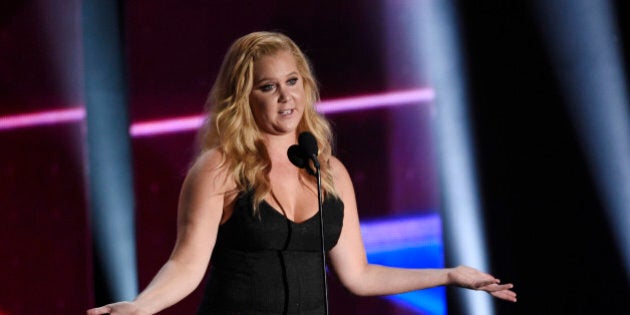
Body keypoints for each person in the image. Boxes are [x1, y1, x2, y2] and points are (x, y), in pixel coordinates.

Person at [87, 31, 516, 315]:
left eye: (292, 81)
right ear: (244, 97)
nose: (285, 96)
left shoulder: (328, 172)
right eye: (268, 86)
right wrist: (141, 307)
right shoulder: (219, 169)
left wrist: (449, 275)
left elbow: (359, 275)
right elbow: (186, 263)